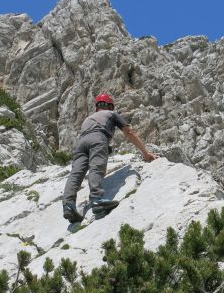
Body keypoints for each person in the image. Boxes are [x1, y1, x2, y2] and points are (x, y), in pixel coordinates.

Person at [62, 93, 158, 223]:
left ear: (97, 107)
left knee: (76, 174)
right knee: (96, 167)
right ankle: (96, 200)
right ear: (110, 106)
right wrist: (146, 153)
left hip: (80, 144)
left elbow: (89, 139)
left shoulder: (88, 119)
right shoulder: (111, 114)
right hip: (98, 138)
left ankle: (68, 205)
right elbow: (129, 132)